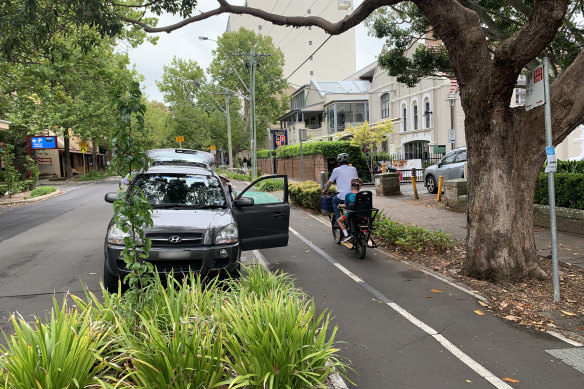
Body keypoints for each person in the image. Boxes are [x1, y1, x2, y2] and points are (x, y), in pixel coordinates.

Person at [322, 153, 358, 220]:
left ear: (339, 163)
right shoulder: (353, 169)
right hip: (354, 196)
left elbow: (330, 182)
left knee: (334, 200)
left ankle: (338, 219)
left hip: (343, 197)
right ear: (348, 162)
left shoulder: (336, 170)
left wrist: (325, 190)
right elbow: (357, 180)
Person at [337, 177, 363, 242]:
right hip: (362, 214)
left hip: (351, 214)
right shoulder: (362, 195)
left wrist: (339, 205)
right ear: (359, 187)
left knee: (339, 221)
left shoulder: (348, 195)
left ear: (351, 186)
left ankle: (346, 235)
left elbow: (345, 205)